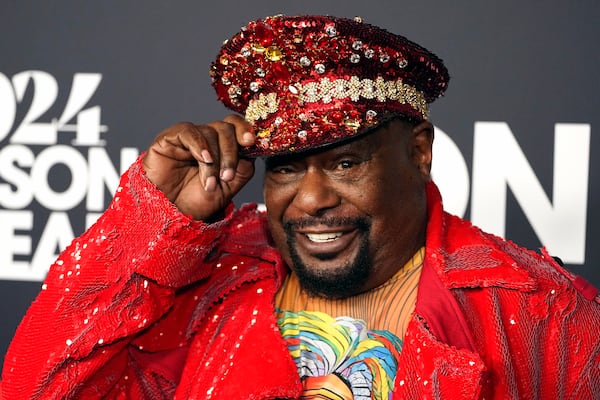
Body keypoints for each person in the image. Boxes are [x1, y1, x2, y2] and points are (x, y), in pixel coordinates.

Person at [1, 14, 599, 400]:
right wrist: (156, 223)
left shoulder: (540, 309)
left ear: (419, 153)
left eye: (345, 163)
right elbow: (37, 388)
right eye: (285, 167)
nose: (309, 200)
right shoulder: (208, 276)